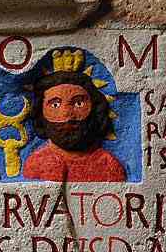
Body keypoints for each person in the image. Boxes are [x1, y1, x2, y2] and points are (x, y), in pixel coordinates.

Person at [23, 52, 126, 182]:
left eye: (79, 103)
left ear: (95, 109)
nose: (67, 114)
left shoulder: (109, 167)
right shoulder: (36, 164)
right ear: (40, 112)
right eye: (55, 105)